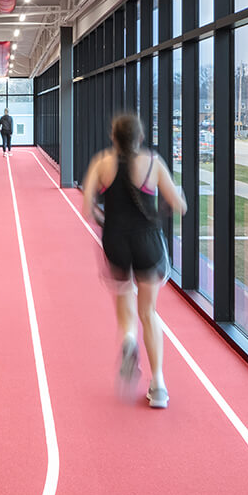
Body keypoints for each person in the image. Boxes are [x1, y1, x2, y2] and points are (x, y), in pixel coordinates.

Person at [81, 114, 187, 409]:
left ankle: (129, 339)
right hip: (147, 241)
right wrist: (175, 196)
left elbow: (86, 207)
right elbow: (180, 206)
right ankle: (159, 386)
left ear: (113, 137)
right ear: (140, 138)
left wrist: (107, 218)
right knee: (149, 312)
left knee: (125, 302)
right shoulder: (153, 162)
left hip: (116, 241)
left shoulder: (102, 163)